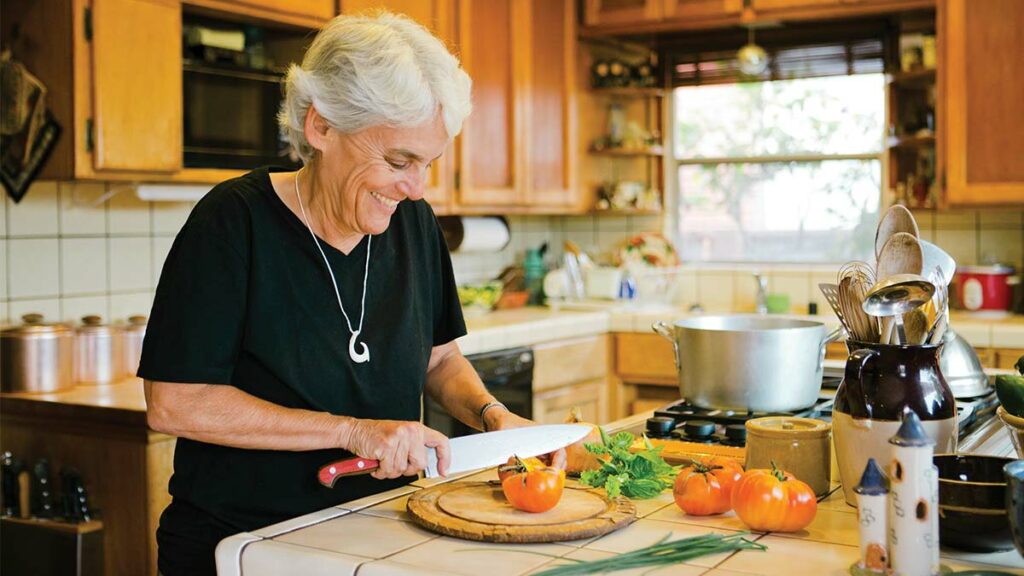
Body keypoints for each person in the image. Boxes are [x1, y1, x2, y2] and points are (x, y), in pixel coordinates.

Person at [140, 12, 562, 576]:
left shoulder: (413, 223)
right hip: (246, 546)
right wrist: (353, 431)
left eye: (428, 164)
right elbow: (176, 402)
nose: (416, 187)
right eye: (398, 161)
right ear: (321, 127)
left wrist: (493, 416)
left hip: (381, 534)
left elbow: (439, 359)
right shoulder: (232, 224)